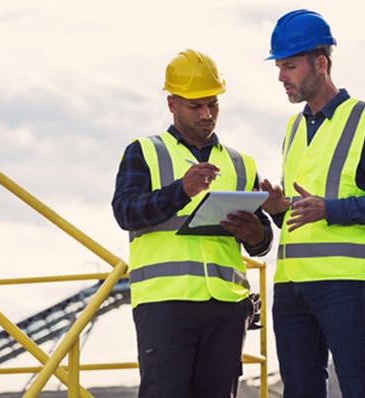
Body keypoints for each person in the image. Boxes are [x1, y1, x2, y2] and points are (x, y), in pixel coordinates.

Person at [112, 49, 272, 398]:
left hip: (228, 307)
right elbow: (125, 212)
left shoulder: (241, 163)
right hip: (166, 305)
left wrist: (255, 233)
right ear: (172, 104)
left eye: (212, 105)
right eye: (195, 106)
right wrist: (181, 191)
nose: (206, 115)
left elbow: (262, 241)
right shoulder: (143, 151)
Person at [261, 9, 365, 398]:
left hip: (348, 286)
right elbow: (301, 211)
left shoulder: (362, 120)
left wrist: (332, 210)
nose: (281, 77)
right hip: (290, 286)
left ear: (321, 64)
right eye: (279, 66)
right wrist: (276, 209)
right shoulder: (292, 128)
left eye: (289, 66)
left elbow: (324, 206)